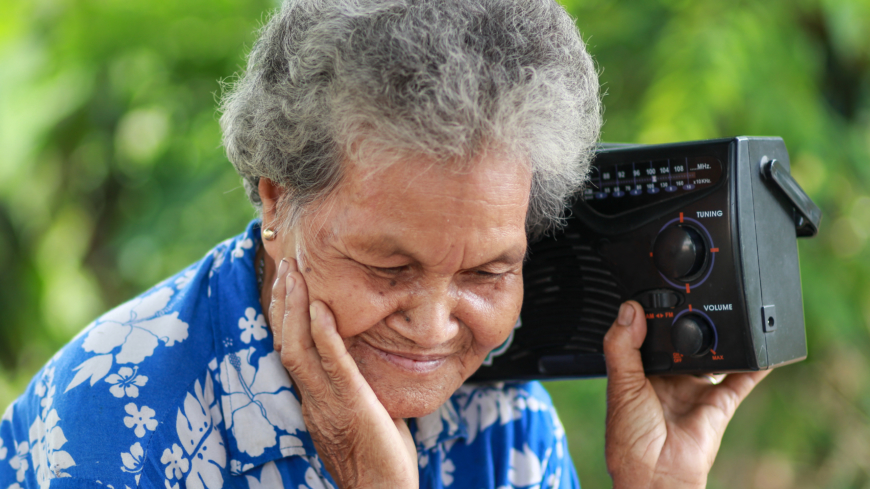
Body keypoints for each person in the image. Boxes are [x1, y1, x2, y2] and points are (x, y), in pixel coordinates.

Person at [0, 0, 769, 487]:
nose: (437, 327)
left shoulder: (499, 414)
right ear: (276, 197)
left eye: (488, 271)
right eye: (388, 267)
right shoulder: (107, 427)